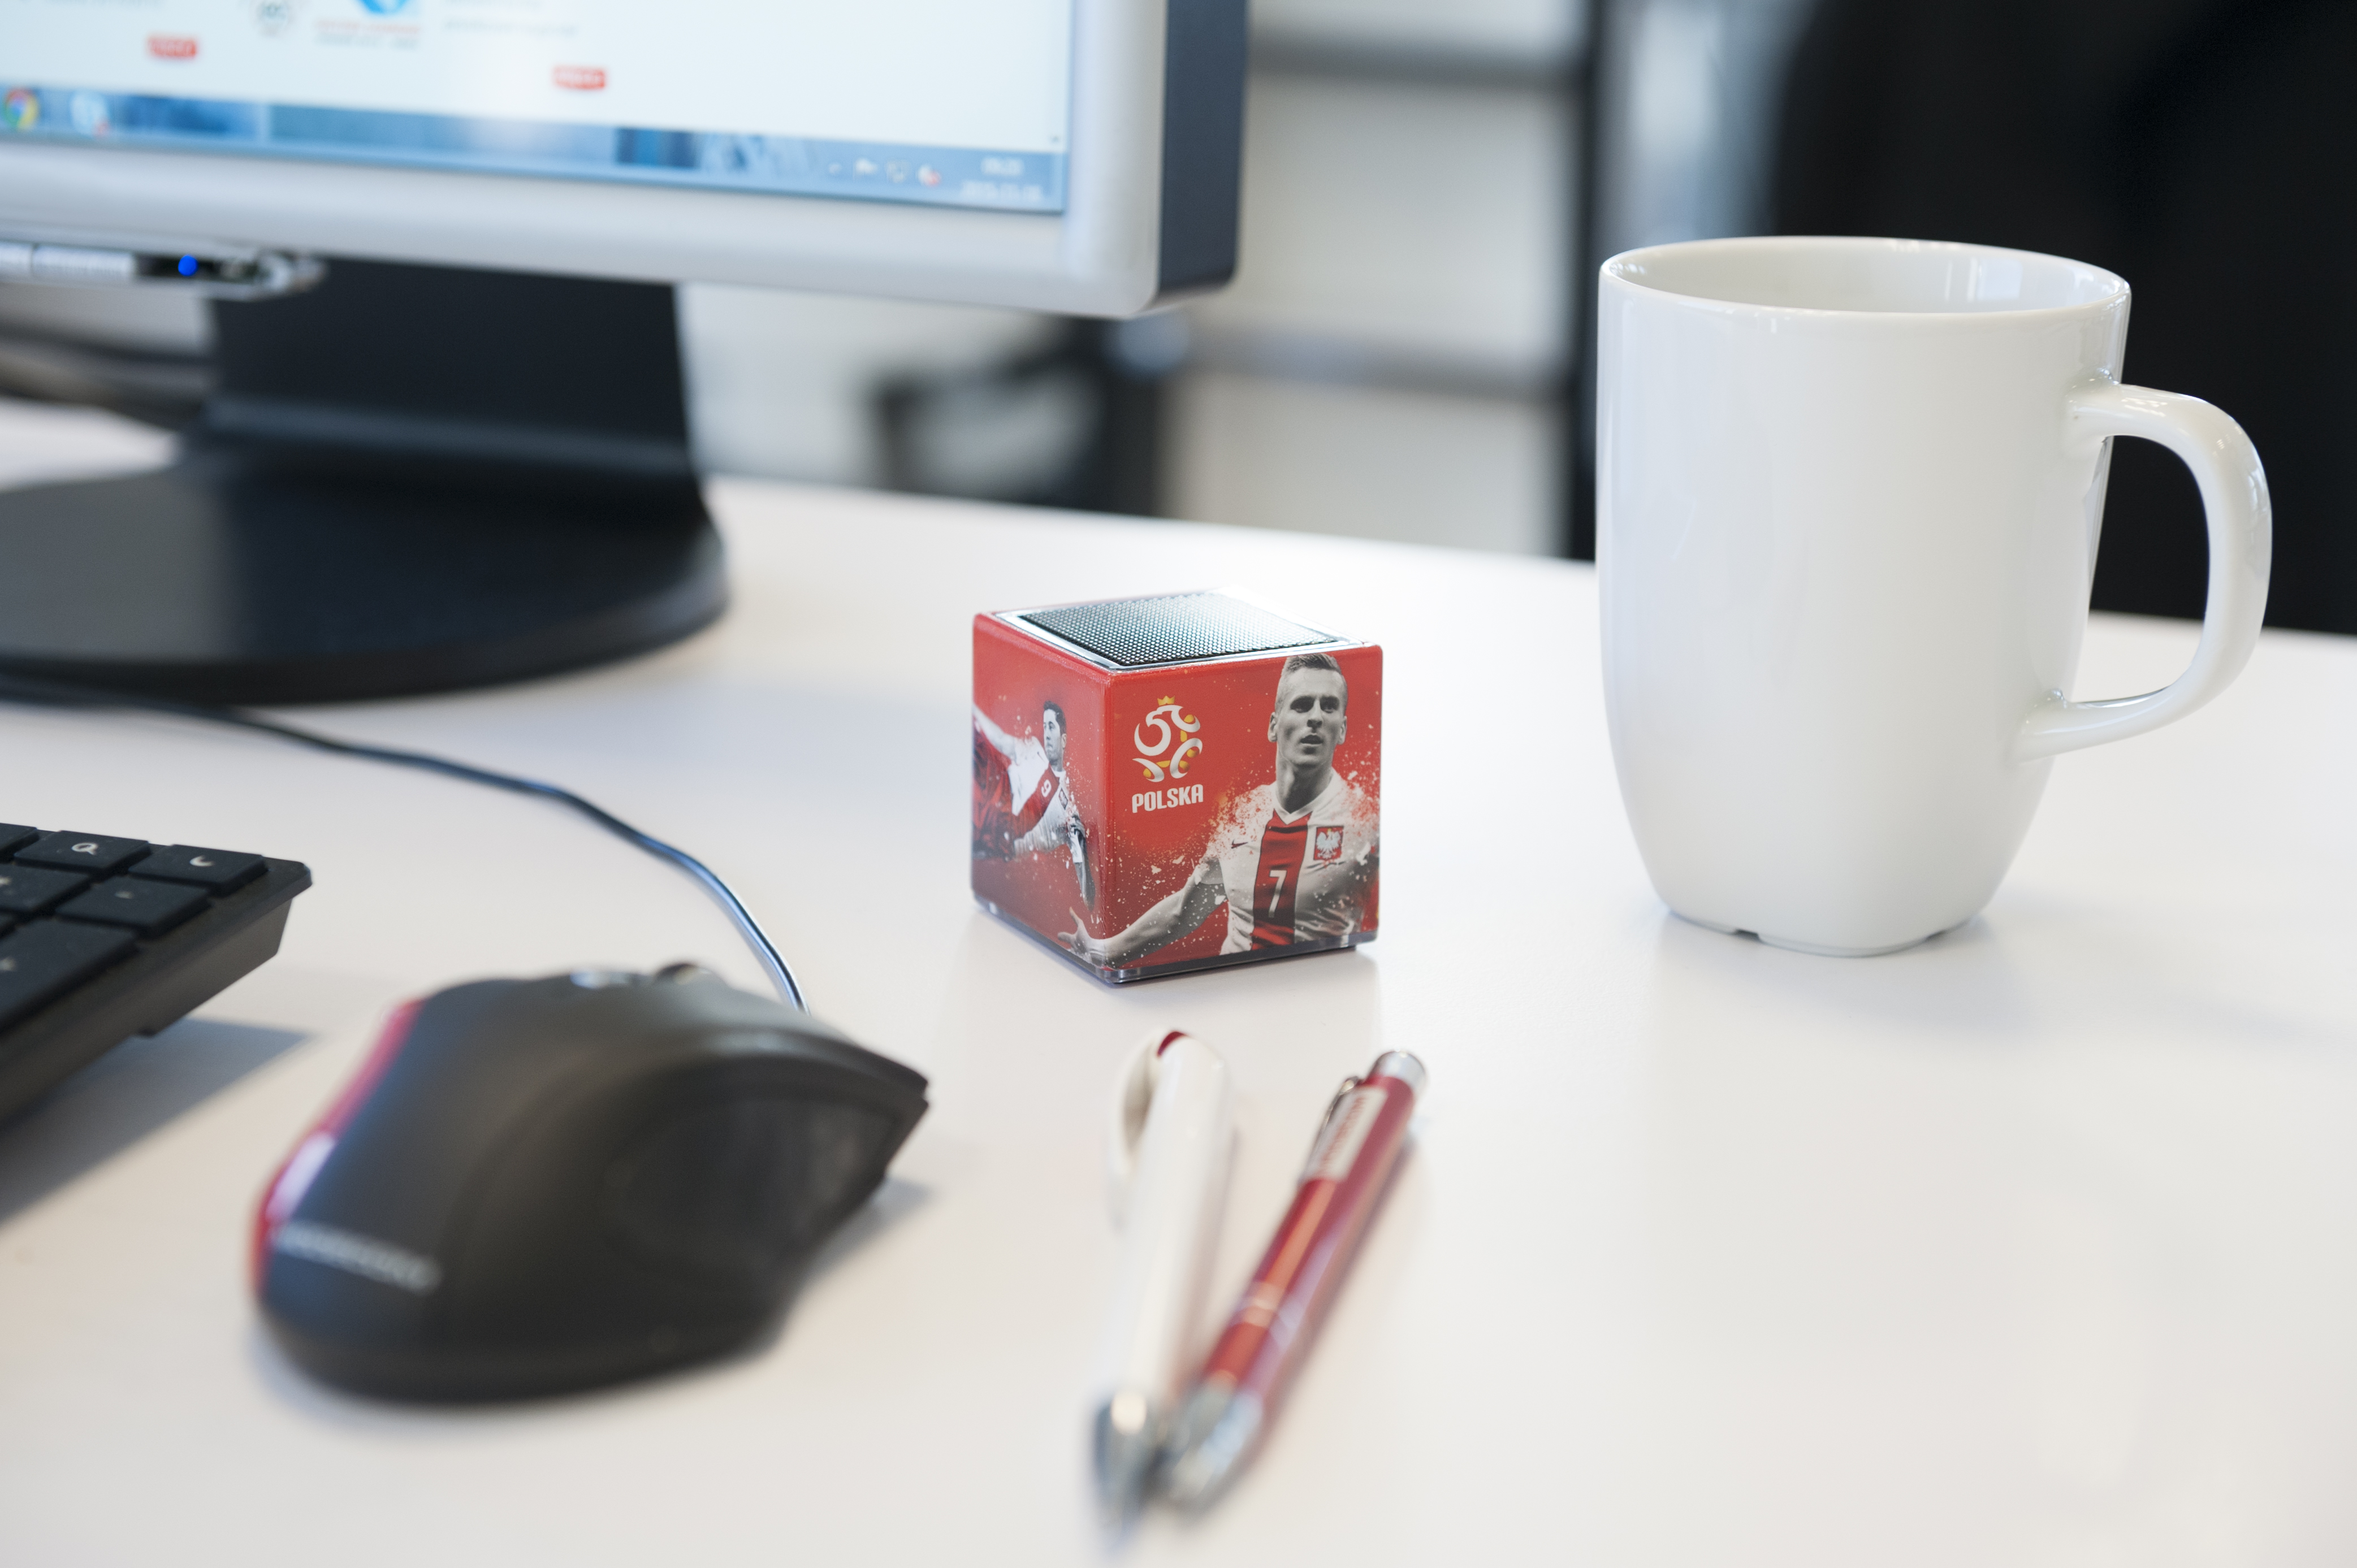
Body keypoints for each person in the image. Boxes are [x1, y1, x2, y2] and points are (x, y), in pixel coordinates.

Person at [1062, 653, 1376, 967]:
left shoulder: (1364, 821)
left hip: (1317, 983)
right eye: (1302, 705)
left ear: (1342, 729)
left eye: (1329, 707)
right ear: (1273, 727)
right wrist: (1100, 950)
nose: (1316, 717)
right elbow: (1183, 914)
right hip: (1233, 987)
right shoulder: (1244, 814)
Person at [974, 699, 1095, 907]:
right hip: (996, 790)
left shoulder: (1066, 808)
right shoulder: (1034, 749)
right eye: (1045, 726)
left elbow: (1089, 898)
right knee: (977, 745)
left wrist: (1083, 853)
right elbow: (1001, 741)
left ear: (1063, 739)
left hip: (1003, 835)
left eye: (1052, 727)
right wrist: (975, 710)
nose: (1046, 733)